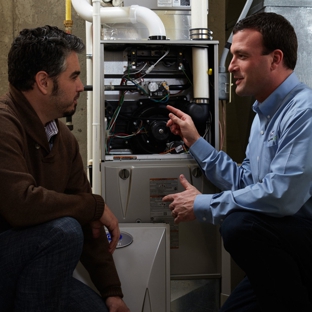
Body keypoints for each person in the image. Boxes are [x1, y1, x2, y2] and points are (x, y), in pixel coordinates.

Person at [162, 12, 312, 312]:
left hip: (302, 238)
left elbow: (280, 195)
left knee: (240, 225)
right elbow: (247, 182)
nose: (230, 67)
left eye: (241, 56)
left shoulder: (304, 112)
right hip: (285, 239)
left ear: (275, 59)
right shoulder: (262, 114)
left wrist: (203, 204)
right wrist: (195, 142)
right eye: (232, 56)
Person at [0, 25, 129, 312]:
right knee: (64, 231)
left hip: (35, 269)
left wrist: (112, 292)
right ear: (44, 82)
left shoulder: (63, 138)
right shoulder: (4, 126)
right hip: (6, 262)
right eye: (74, 76)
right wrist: (93, 206)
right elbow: (20, 205)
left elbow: (87, 221)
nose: (81, 86)